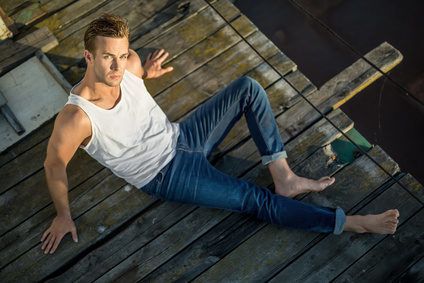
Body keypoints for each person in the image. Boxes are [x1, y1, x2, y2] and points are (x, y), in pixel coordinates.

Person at [41, 14, 400, 255]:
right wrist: (62, 214)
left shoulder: (128, 65)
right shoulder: (76, 118)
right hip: (166, 175)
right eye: (108, 58)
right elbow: (54, 166)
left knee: (248, 88)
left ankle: (285, 176)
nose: (118, 66)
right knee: (253, 200)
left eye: (122, 55)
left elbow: (132, 71)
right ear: (88, 56)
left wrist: (146, 72)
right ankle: (349, 223)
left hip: (182, 136)